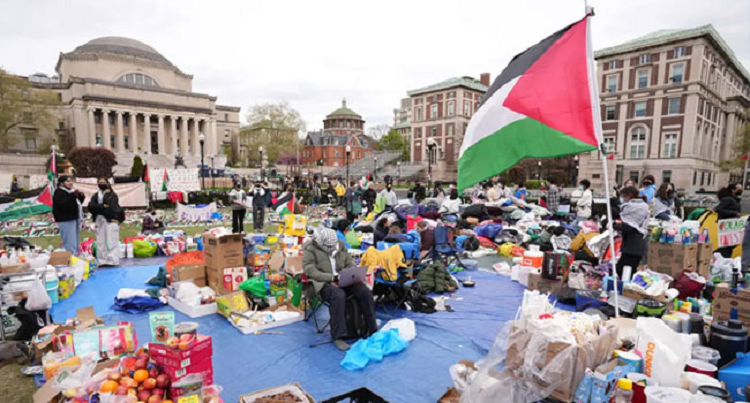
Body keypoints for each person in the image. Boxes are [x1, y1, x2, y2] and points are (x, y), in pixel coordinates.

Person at [302, 228, 377, 351]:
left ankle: (372, 328)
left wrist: (352, 273)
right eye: (328, 247)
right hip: (322, 282)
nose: (331, 249)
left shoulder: (340, 246)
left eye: (333, 246)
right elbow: (309, 270)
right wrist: (331, 277)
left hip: (343, 279)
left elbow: (349, 262)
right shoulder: (310, 249)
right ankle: (338, 336)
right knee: (338, 295)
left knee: (365, 292)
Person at [88, 178, 123, 266]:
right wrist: (102, 207)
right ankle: (102, 260)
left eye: (104, 182)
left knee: (112, 240)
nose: (102, 184)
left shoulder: (112, 195)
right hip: (99, 220)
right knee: (100, 241)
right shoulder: (95, 195)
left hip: (111, 219)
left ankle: (113, 260)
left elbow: (111, 208)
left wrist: (99, 208)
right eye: (100, 182)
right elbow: (91, 207)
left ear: (107, 183)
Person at [616, 186, 650, 277]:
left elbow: (629, 226)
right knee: (630, 268)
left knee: (622, 269)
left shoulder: (631, 207)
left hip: (632, 244)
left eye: (623, 197)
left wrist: (614, 225)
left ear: (629, 195)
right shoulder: (644, 205)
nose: (622, 199)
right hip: (640, 241)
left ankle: (625, 288)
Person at [53, 175, 85, 255]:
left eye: (71, 181)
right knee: (69, 241)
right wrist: (73, 196)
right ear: (61, 183)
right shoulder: (59, 192)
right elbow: (64, 205)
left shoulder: (69, 192)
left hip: (73, 218)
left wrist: (81, 196)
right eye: (68, 181)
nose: (70, 183)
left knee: (75, 240)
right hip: (65, 219)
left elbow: (76, 204)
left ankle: (76, 255)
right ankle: (70, 257)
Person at [715, 183, 743, 258]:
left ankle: (719, 256)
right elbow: (718, 209)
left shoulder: (734, 199)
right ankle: (719, 256)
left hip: (731, 225)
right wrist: (734, 213)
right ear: (733, 190)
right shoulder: (728, 199)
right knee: (727, 246)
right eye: (739, 189)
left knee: (730, 244)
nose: (741, 191)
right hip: (726, 225)